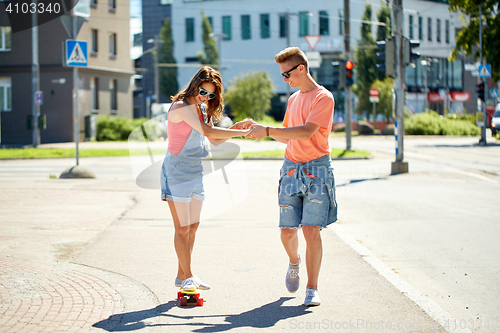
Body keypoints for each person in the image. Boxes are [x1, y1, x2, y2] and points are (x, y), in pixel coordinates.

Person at [248, 47, 337, 306]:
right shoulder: (293, 99)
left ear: (301, 68)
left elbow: (307, 131)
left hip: (317, 169)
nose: (284, 80)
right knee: (288, 231)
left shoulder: (324, 97)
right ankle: (294, 262)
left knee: (310, 230)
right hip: (290, 167)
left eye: (287, 74)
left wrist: (266, 130)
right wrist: (258, 128)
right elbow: (288, 135)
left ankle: (312, 288)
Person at [161, 66, 253, 292]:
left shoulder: (200, 110)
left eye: (211, 95)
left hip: (195, 171)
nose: (205, 97)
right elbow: (209, 132)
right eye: (203, 91)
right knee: (182, 228)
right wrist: (241, 133)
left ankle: (182, 276)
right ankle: (189, 276)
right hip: (176, 171)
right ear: (195, 84)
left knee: (193, 226)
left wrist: (235, 127)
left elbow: (214, 141)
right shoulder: (182, 107)